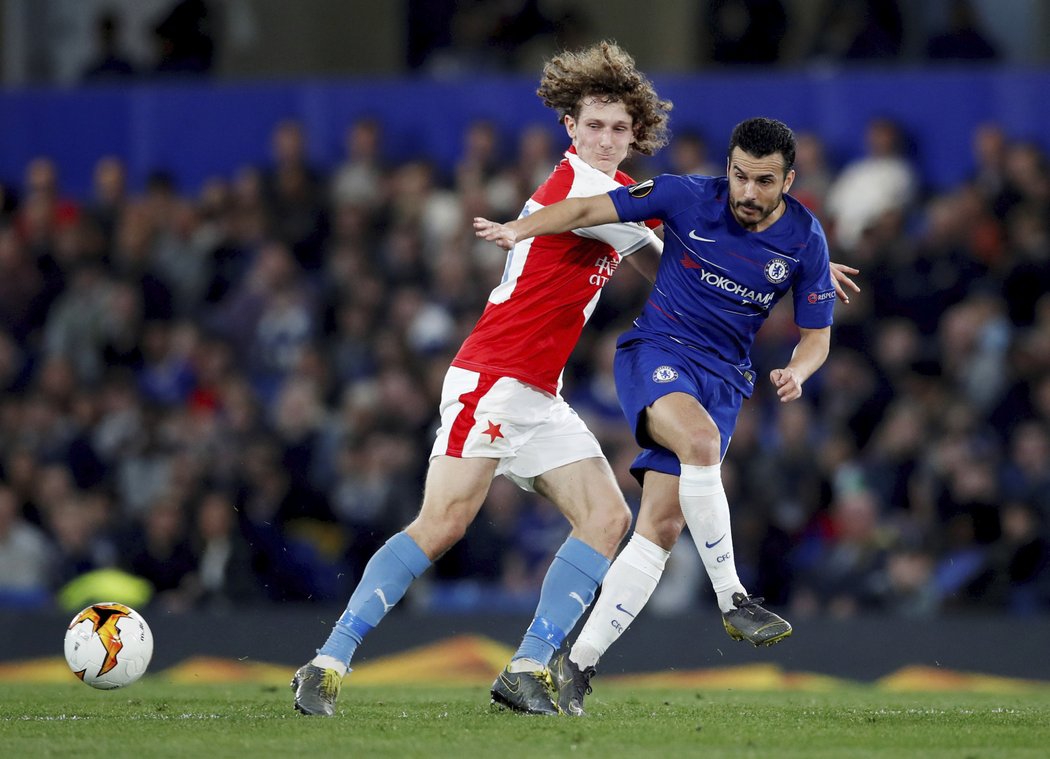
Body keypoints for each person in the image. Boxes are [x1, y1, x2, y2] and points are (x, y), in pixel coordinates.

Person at [290, 40, 672, 718]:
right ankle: (326, 661)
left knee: (608, 516)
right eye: (595, 125)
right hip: (495, 377)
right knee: (443, 521)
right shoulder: (591, 189)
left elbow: (659, 267)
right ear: (570, 128)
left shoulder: (611, 197)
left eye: (619, 128)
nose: (608, 138)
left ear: (634, 133)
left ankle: (525, 667)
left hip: (537, 391)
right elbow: (671, 268)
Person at [475, 116, 842, 715]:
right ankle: (733, 599)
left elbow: (817, 337)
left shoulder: (806, 239)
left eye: (765, 182)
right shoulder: (684, 195)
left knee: (664, 526)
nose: (749, 193)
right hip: (658, 354)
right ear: (728, 167)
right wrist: (521, 228)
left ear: (789, 180)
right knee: (697, 442)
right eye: (741, 176)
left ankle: (577, 665)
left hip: (725, 382)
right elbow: (584, 210)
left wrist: (797, 372)